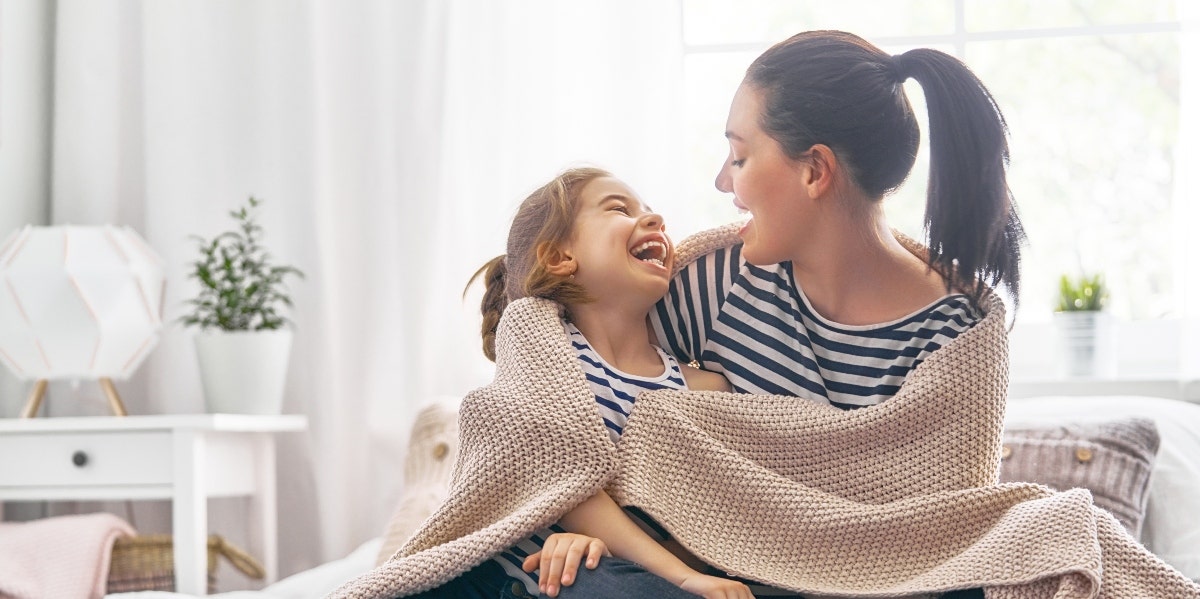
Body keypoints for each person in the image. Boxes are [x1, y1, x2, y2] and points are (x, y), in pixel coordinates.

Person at [562, 29, 1023, 599]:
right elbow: (567, 387)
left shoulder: (958, 337)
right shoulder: (719, 282)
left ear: (814, 172)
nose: (723, 181)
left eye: (740, 155)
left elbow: (940, 540)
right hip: (716, 577)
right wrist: (578, 524)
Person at [412, 166, 751, 599]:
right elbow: (553, 468)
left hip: (599, 578)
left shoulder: (705, 390)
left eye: (650, 210)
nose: (654, 220)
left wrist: (618, 556)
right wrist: (680, 577)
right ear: (559, 258)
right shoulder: (538, 338)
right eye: (619, 209)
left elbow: (714, 526)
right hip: (497, 576)